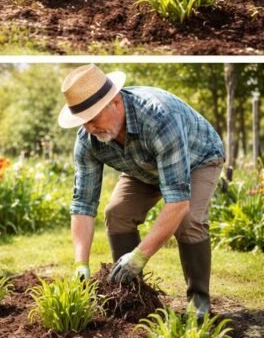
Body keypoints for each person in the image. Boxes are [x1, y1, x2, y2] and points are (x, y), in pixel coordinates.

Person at [59, 64, 224, 317]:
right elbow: (83, 204)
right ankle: (133, 296)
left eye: (93, 119)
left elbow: (178, 203)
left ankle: (198, 302)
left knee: (189, 221)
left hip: (197, 159)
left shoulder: (159, 118)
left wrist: (139, 256)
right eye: (83, 122)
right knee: (117, 214)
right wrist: (81, 263)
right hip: (143, 168)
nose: (89, 128)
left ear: (115, 102)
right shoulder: (88, 140)